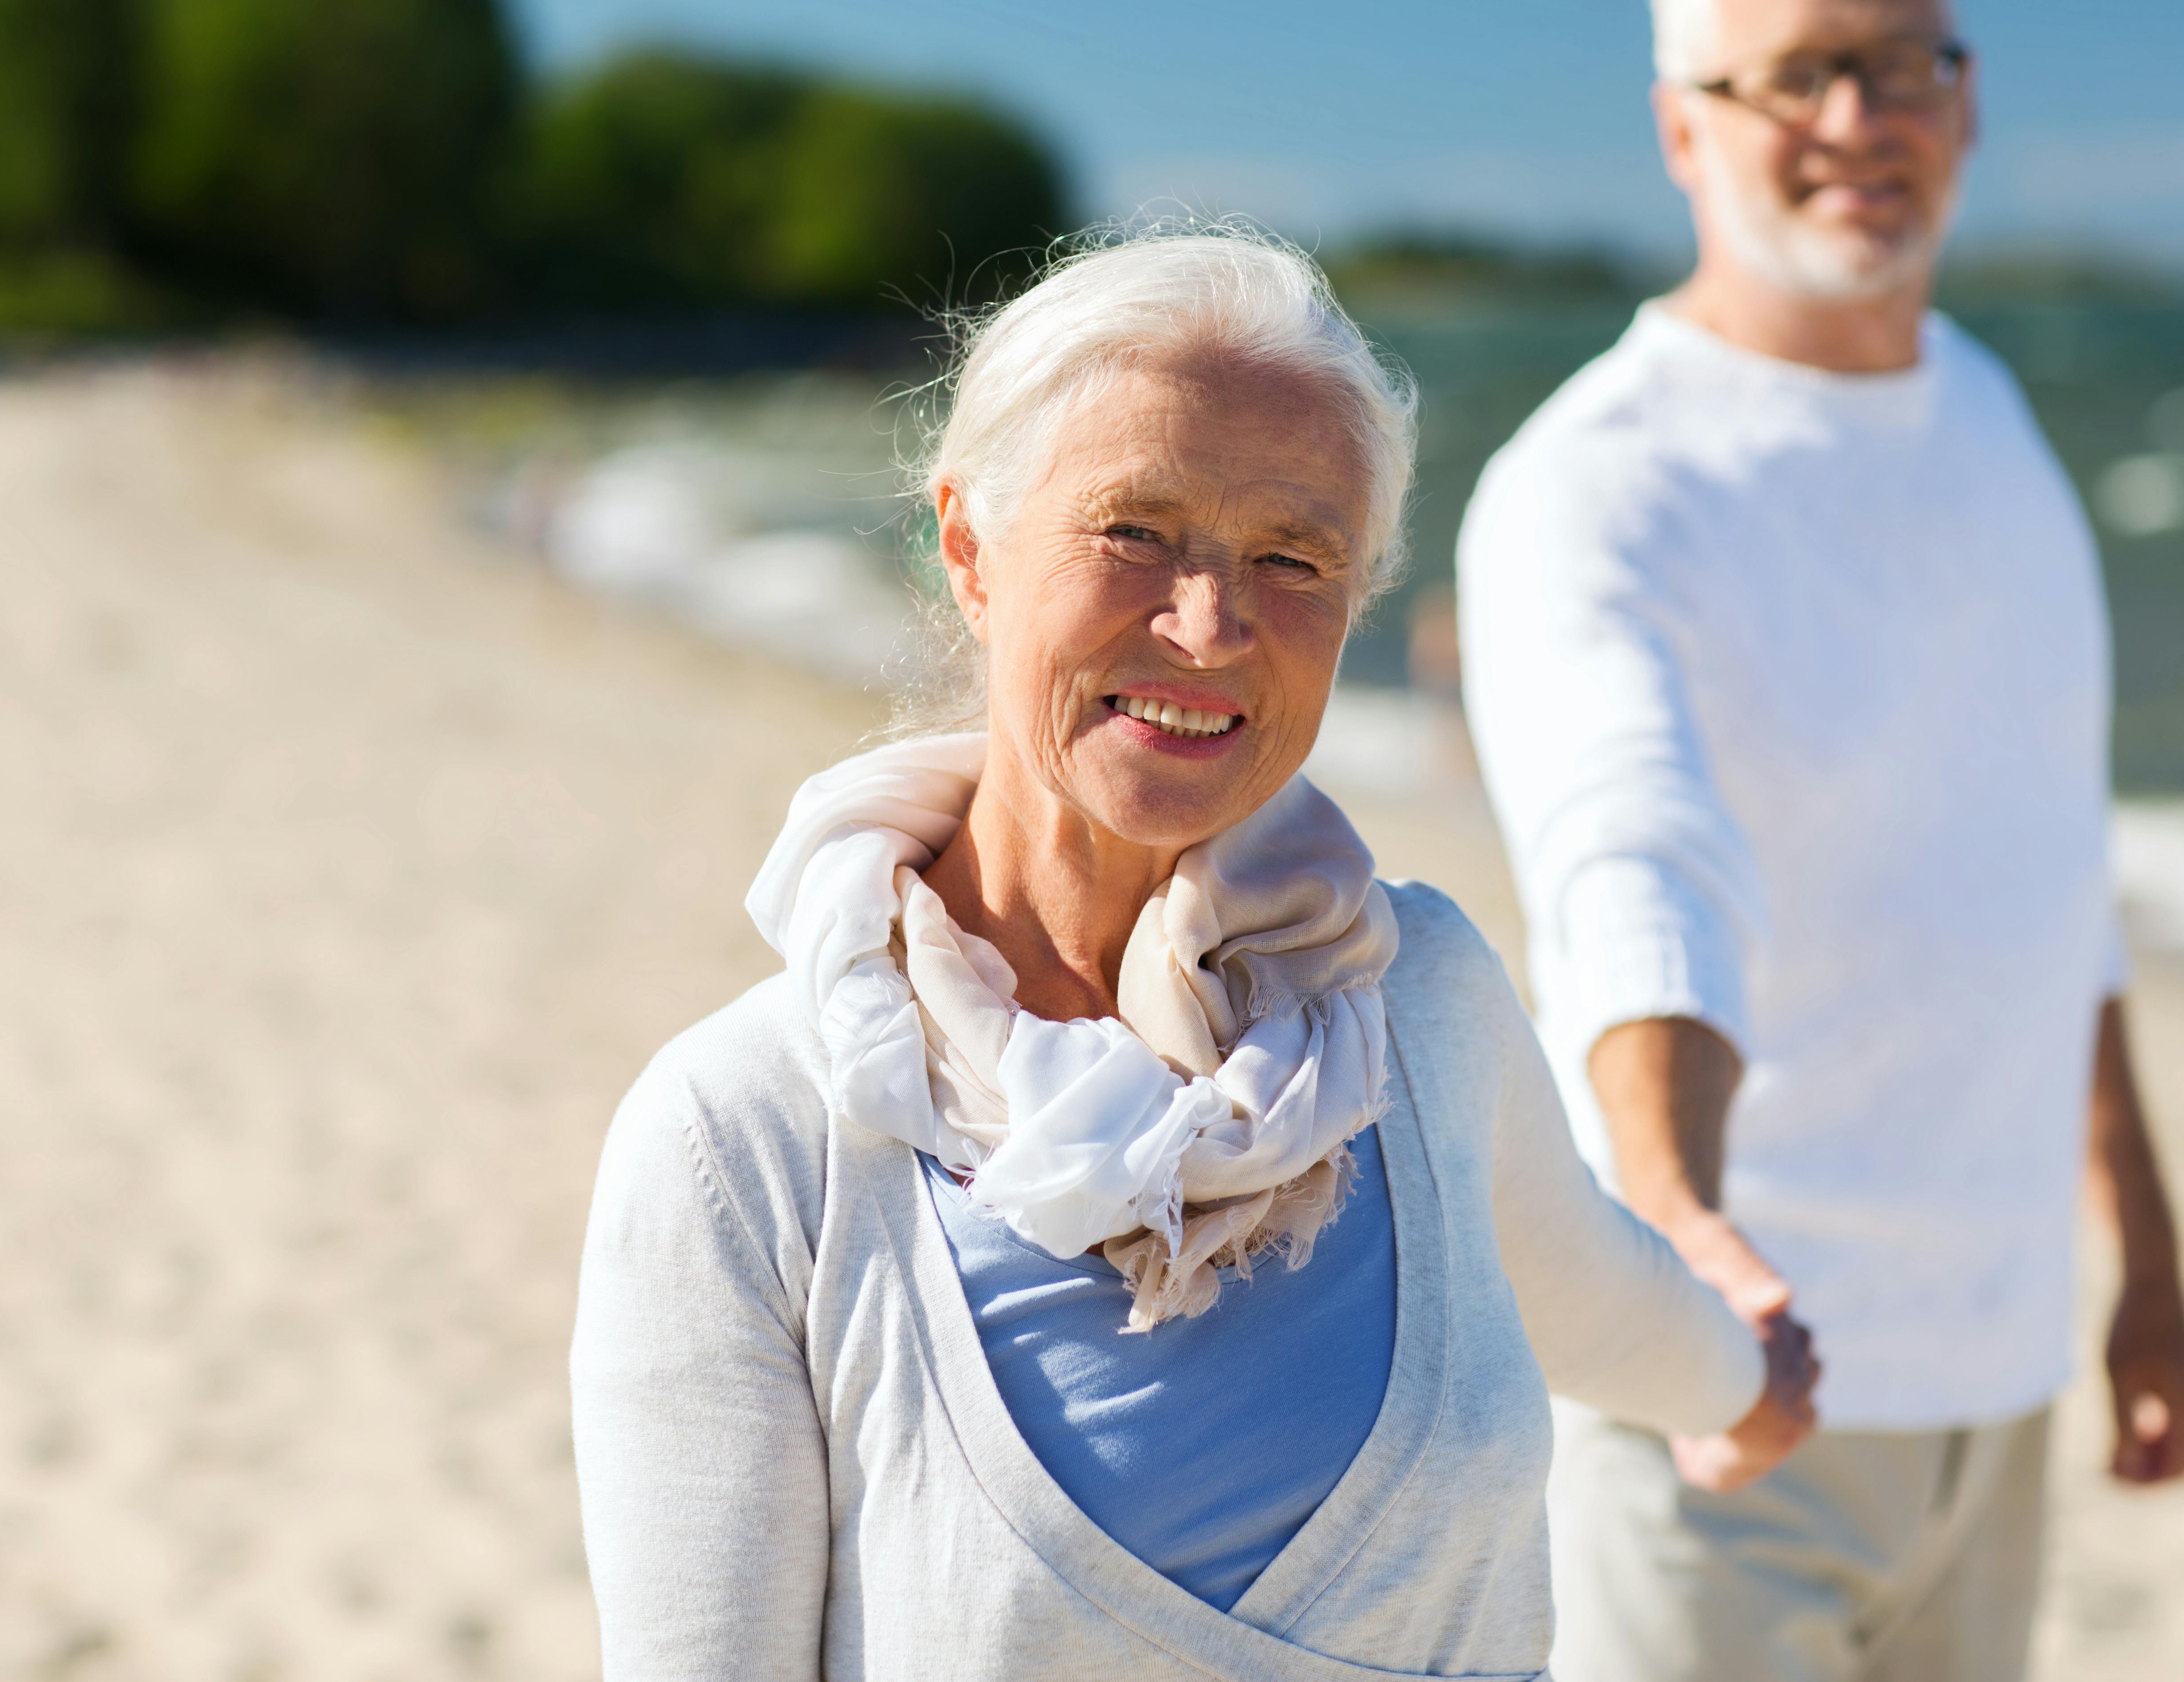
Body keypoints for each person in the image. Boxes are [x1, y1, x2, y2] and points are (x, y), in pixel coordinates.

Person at [569, 226, 1813, 1682]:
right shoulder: (746, 1140)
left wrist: (1749, 1377)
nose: (1209, 627)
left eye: (1293, 558)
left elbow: (1588, 1287)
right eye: (1136, 531)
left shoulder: (1416, 1003)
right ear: (971, 550)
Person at [1456, 2, 2184, 1677]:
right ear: (1680, 128)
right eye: (1797, 70)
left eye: (1905, 63)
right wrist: (1680, 1231)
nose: (1860, 115)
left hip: (1998, 1375)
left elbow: (2053, 878)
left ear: (1972, 100)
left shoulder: (1996, 425)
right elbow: (1632, 867)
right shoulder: (1594, 483)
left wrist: (2144, 1262)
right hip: (1724, 1388)